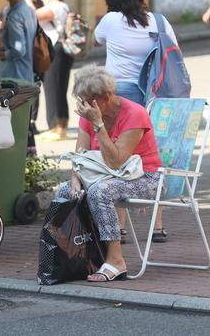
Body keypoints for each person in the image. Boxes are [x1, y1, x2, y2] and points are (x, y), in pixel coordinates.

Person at [55, 65, 162, 282]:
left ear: (106, 97)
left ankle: (116, 261)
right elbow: (80, 155)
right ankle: (76, 257)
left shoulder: (134, 114)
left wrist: (98, 125)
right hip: (104, 177)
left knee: (99, 192)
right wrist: (75, 179)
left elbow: (115, 161)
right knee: (65, 191)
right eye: (81, 100)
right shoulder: (89, 114)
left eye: (88, 100)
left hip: (146, 178)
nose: (83, 106)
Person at [94, 0, 177, 242]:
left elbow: (97, 39)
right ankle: (158, 225)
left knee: (117, 157)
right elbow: (172, 49)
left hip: (118, 96)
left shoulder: (110, 20)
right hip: (152, 96)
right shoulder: (158, 21)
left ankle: (119, 226)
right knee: (152, 155)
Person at [0, 0, 39, 155]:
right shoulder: (29, 11)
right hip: (27, 71)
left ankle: (21, 157)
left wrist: (3, 54)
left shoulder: (14, 16)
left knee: (15, 120)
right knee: (24, 120)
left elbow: (18, 50)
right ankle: (30, 157)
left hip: (15, 75)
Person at [26, 0, 72, 141]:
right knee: (57, 89)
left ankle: (57, 128)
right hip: (59, 50)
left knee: (54, 89)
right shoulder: (60, 6)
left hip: (57, 50)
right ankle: (58, 126)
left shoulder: (56, 6)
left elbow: (33, 16)